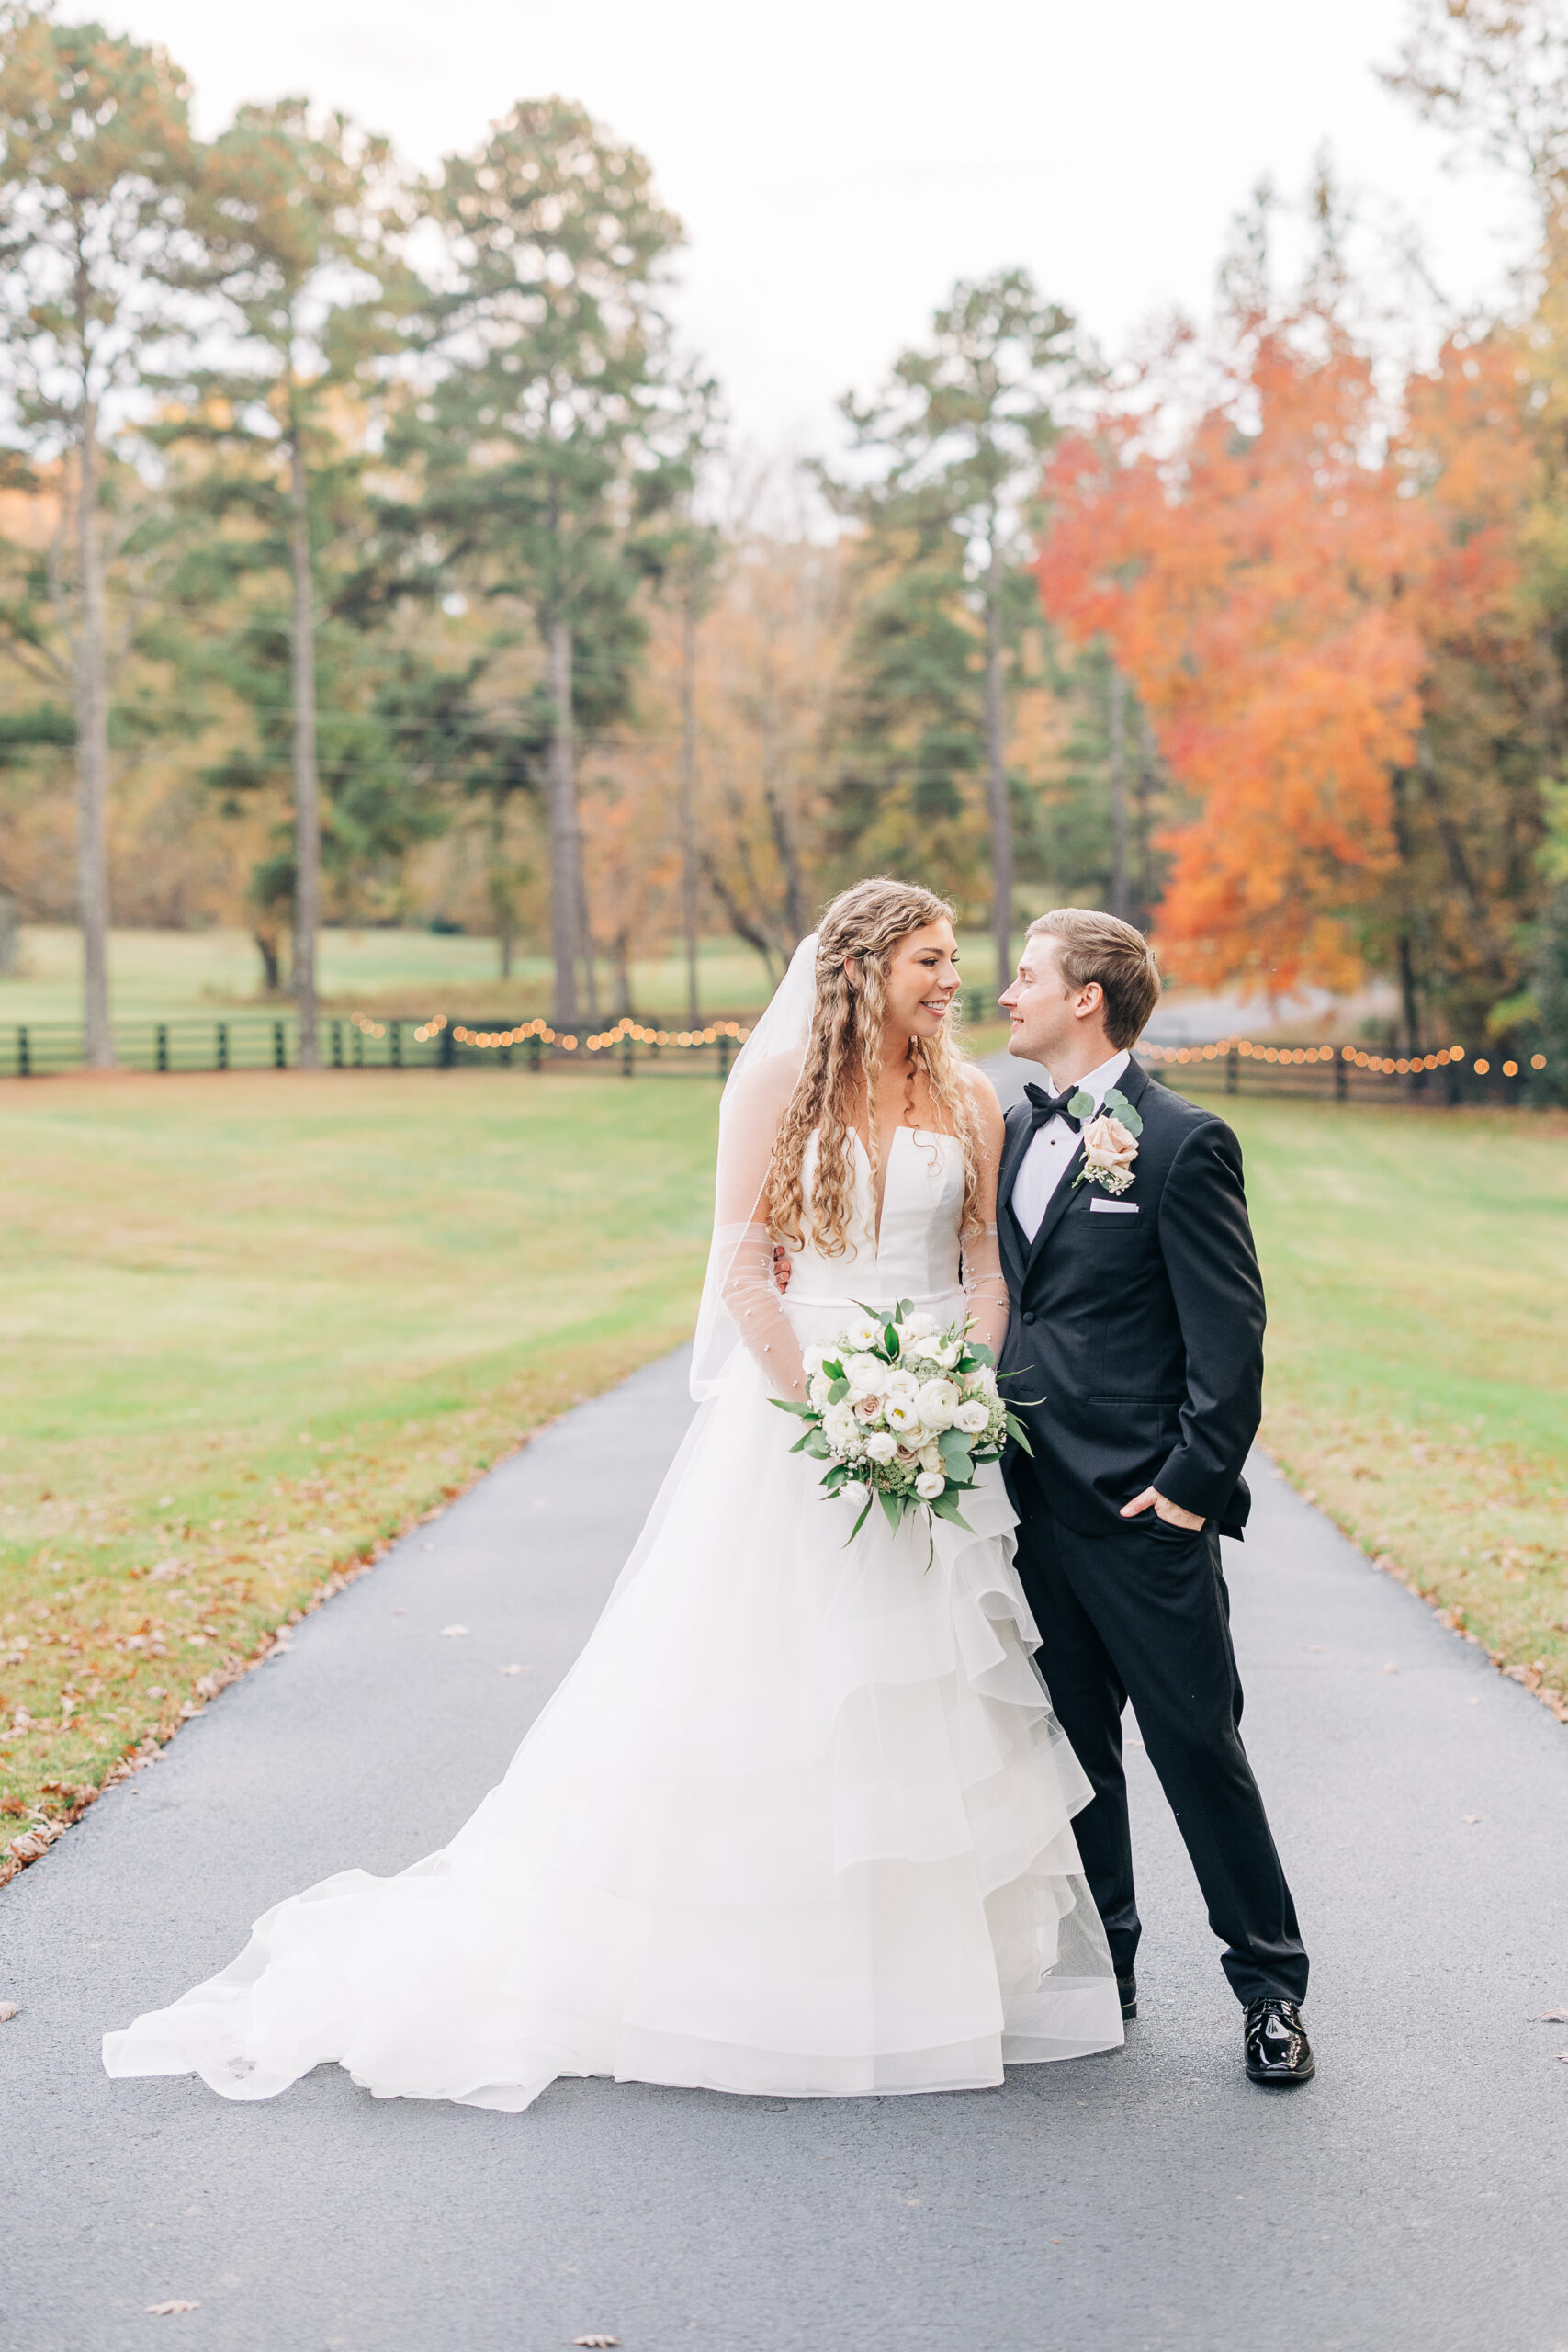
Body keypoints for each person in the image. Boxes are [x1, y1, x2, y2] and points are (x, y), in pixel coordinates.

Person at [104, 879, 1123, 2111]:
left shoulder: (968, 1096)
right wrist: (838, 1417)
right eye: (929, 956)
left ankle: (928, 1980)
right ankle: (767, 1971)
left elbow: (974, 1264)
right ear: (861, 966)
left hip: (934, 1435)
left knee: (931, 1695)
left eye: (956, 956)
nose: (952, 976)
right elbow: (743, 1271)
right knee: (781, 1685)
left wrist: (953, 1390)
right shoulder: (775, 1087)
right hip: (804, 1425)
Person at [996, 908, 1314, 2087]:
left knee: (1197, 1746)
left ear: (1088, 996)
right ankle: (1106, 1975)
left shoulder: (1183, 1142)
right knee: (1074, 1756)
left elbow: (1229, 1343)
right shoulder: (1009, 1132)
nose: (1006, 991)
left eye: (1026, 974)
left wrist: (1189, 1491)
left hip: (1142, 1513)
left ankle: (1271, 1988)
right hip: (1031, 1510)